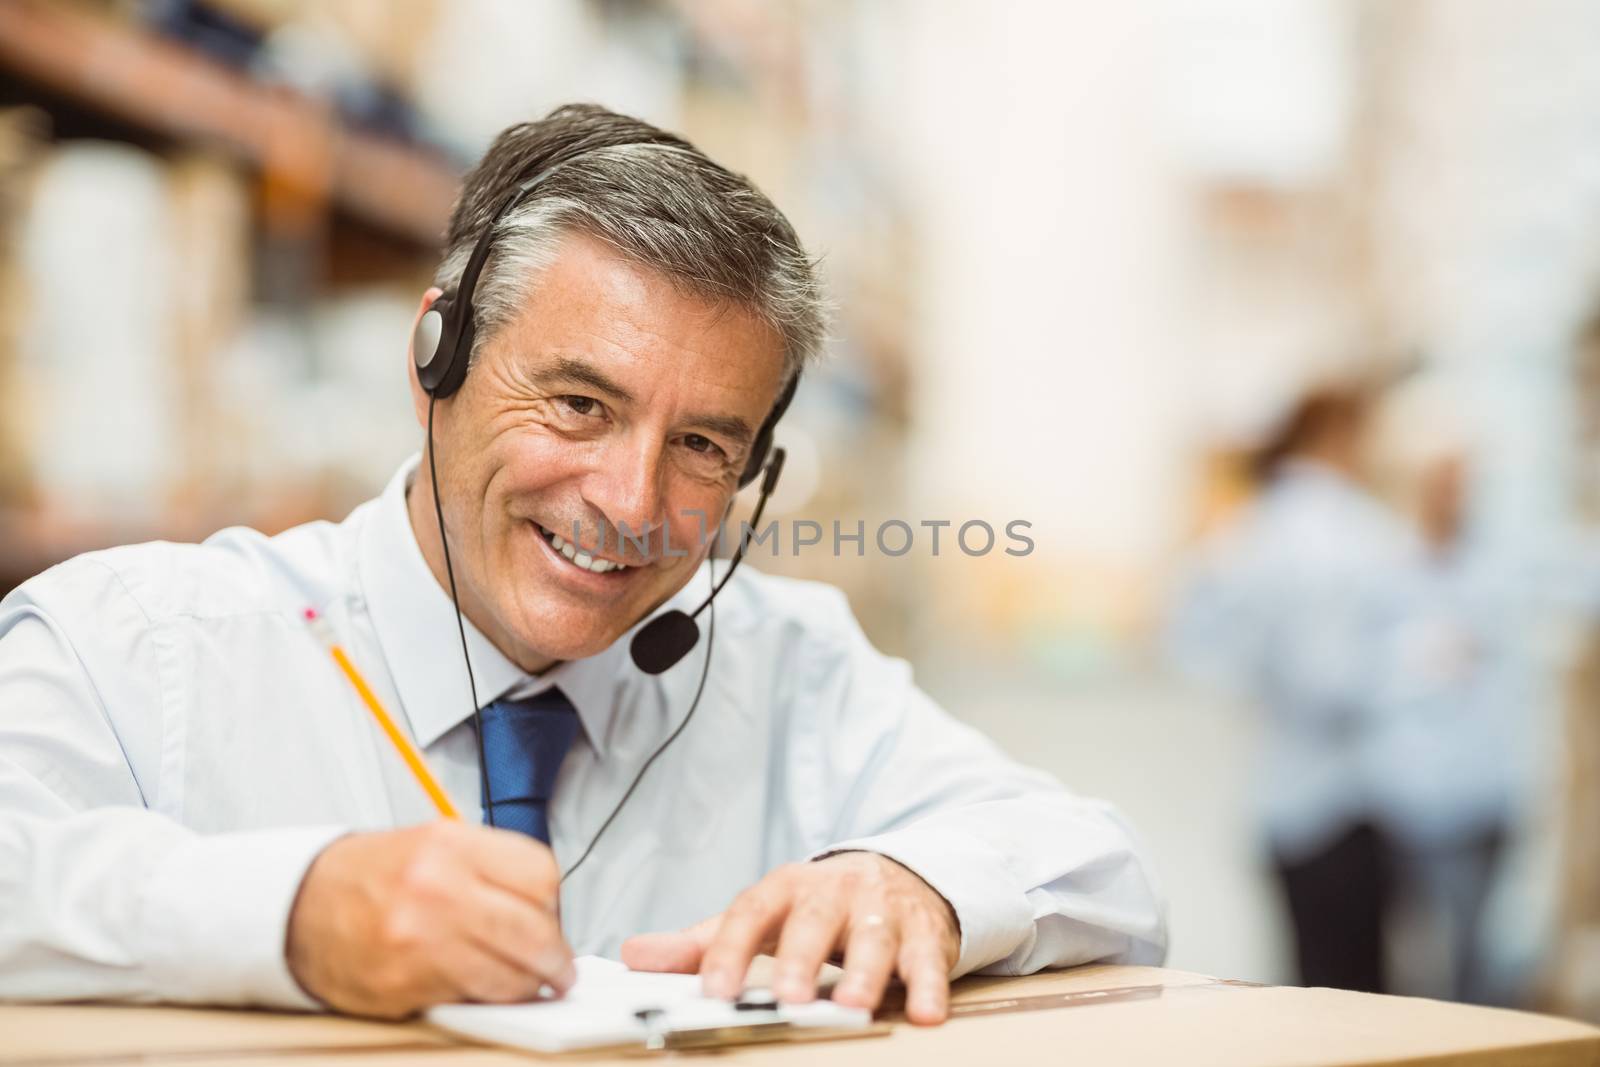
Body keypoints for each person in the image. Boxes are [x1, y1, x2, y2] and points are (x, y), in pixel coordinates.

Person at [0, 104, 1166, 1023]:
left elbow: (1104, 868)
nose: (629, 500)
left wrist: (919, 881)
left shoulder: (784, 663)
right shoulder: (140, 643)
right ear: (431, 360)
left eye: (704, 445)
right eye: (576, 402)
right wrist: (288, 912)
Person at [1169, 385, 1410, 993]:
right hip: (1347, 801)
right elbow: (1331, 680)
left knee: (1309, 985)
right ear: (1339, 435)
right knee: (1360, 1001)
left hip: (1279, 796)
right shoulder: (1348, 532)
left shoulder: (1253, 529)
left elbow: (1194, 641)